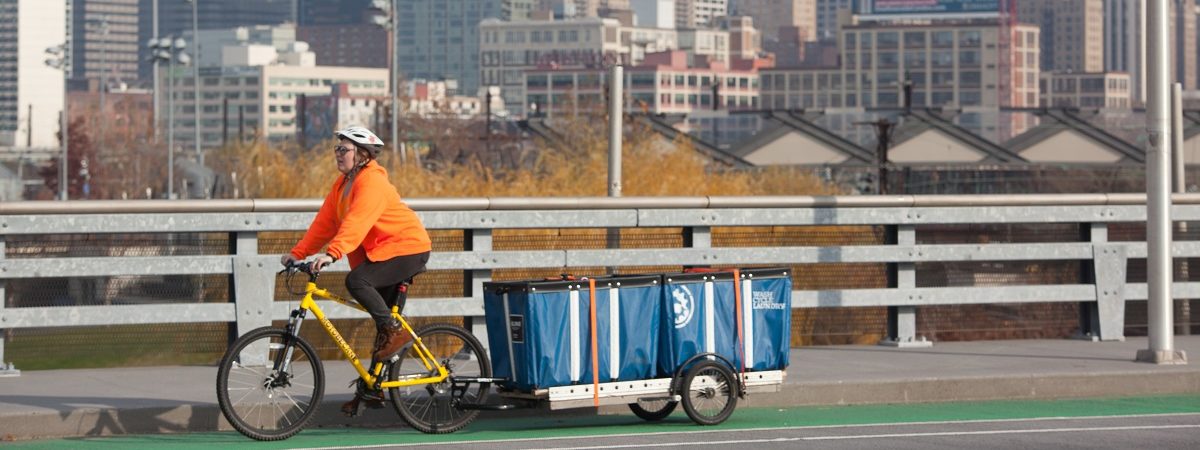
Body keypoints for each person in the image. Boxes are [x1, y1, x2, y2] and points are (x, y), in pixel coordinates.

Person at [281, 126, 432, 415]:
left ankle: (396, 332)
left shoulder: (371, 182)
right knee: (381, 321)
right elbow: (324, 225)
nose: (338, 154)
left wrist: (332, 254)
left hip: (407, 248)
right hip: (384, 253)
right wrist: (297, 254)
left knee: (358, 281)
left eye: (344, 149)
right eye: (336, 148)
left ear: (362, 155)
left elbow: (357, 222)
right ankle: (374, 386)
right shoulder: (342, 186)